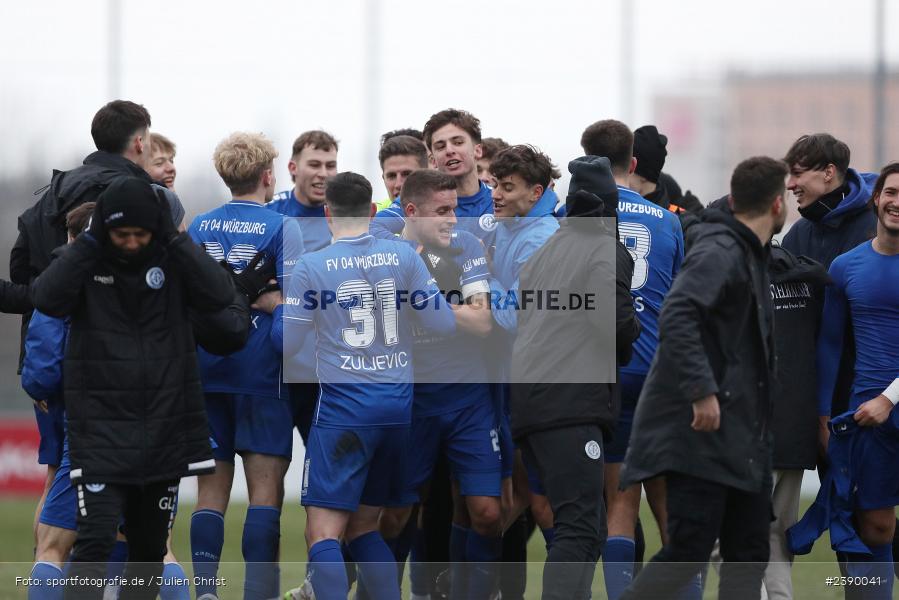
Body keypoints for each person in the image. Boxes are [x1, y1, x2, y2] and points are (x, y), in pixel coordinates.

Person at [23, 202, 260, 600]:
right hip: (159, 431)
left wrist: (44, 389)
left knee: (55, 545)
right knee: (156, 551)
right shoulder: (173, 273)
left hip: (93, 431)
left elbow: (44, 341)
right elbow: (228, 327)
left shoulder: (79, 274)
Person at [276, 172, 457, 600]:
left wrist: (283, 307)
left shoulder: (311, 266)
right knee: (363, 528)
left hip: (344, 413)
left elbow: (286, 344)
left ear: (327, 214)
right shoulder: (403, 257)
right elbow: (444, 323)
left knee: (323, 532)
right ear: (373, 211)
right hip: (397, 412)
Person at [619, 156, 787, 600]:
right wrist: (701, 391)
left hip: (741, 437)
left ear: (733, 199)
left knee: (748, 552)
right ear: (778, 204)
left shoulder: (749, 252)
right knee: (688, 552)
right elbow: (678, 313)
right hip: (703, 435)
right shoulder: (721, 249)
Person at [511, 155, 638, 600]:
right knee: (580, 529)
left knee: (585, 526)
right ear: (611, 205)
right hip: (570, 404)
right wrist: (629, 336)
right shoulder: (603, 247)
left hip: (532, 403)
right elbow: (617, 323)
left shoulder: (546, 251)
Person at [374, 169, 498, 600]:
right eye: (442, 211)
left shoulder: (468, 246)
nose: (452, 219)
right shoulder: (385, 251)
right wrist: (449, 308)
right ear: (411, 212)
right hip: (410, 401)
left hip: (468, 399)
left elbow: (483, 321)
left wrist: (423, 302)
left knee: (486, 511)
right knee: (394, 515)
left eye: (455, 210)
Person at [188, 132, 301, 600]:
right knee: (265, 492)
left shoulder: (199, 227)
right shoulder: (283, 227)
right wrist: (272, 305)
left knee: (210, 494)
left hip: (206, 372)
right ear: (268, 176)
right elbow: (294, 307)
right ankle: (259, 593)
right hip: (262, 374)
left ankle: (208, 592)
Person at [579, 119, 684, 599]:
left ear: (585, 158)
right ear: (634, 163)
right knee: (668, 503)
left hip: (603, 370)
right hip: (655, 372)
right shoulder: (668, 220)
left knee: (619, 503)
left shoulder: (572, 215)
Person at [805, 162, 899, 599]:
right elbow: (829, 345)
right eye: (892, 192)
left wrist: (891, 397)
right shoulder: (846, 267)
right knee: (875, 528)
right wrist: (823, 413)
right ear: (877, 198)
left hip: (886, 403)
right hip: (868, 416)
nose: (897, 203)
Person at [267, 129, 338, 445]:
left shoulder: (346, 216)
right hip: (276, 366)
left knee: (325, 461)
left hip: (327, 369)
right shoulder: (271, 213)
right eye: (315, 164)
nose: (324, 173)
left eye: (330, 165)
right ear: (293, 168)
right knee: (271, 464)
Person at [370, 109, 495, 242]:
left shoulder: (499, 200)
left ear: (478, 150)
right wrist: (417, 251)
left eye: (458, 142)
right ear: (433, 159)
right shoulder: (417, 199)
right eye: (440, 147)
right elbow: (373, 228)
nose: (449, 150)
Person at [379, 134, 429, 204]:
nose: (398, 184)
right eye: (391, 176)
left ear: (427, 176)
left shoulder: (448, 212)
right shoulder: (375, 214)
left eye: (407, 174)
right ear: (384, 178)